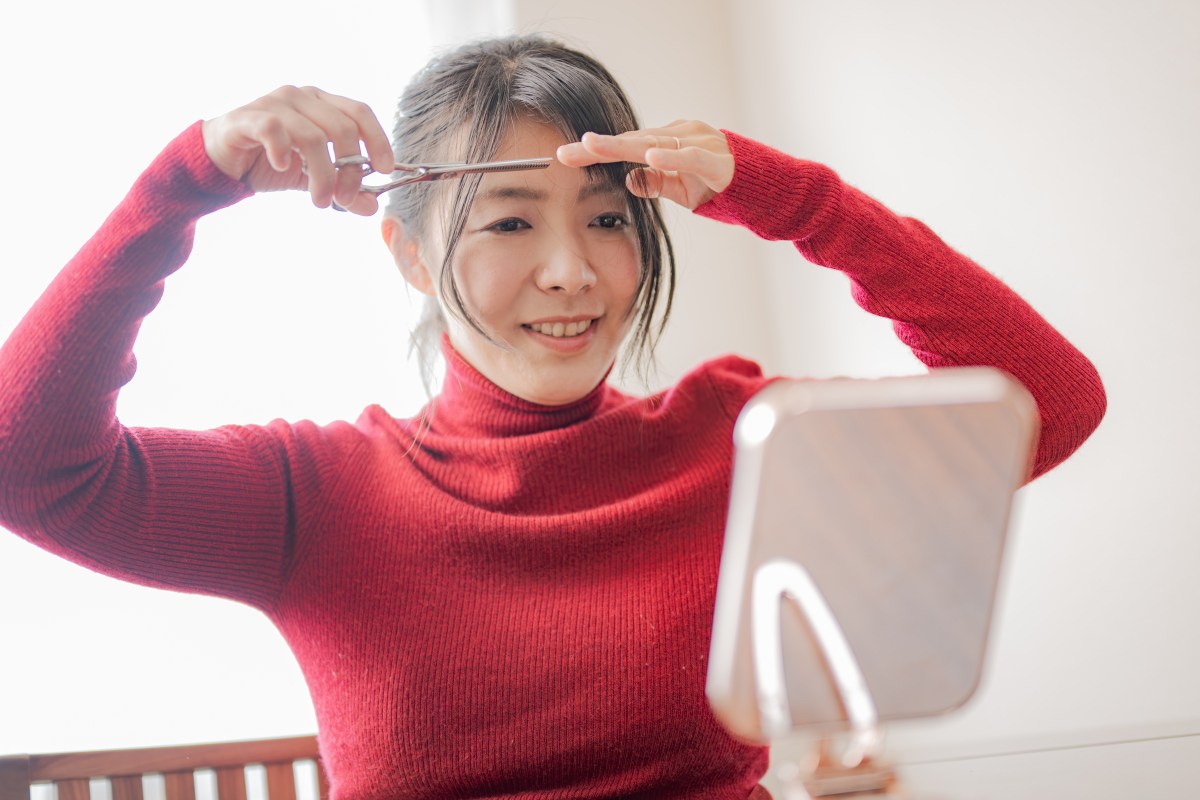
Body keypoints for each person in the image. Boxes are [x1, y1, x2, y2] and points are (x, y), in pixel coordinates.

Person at [0, 35, 1104, 800]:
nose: (573, 272)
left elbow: (1045, 403)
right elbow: (26, 463)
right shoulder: (315, 493)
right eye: (512, 221)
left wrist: (791, 197)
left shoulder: (738, 441)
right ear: (413, 254)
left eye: (609, 220)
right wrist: (185, 181)